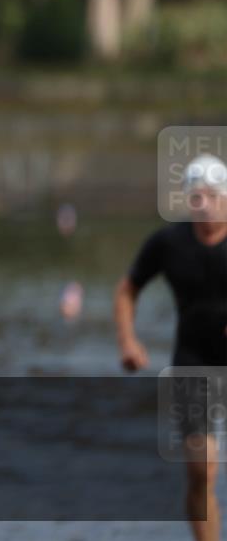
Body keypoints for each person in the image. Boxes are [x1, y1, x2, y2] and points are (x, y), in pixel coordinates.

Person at [113, 153, 227, 541]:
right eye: (197, 197)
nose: (206, 204)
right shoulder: (168, 242)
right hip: (193, 358)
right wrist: (128, 341)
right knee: (203, 468)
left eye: (213, 195)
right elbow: (127, 290)